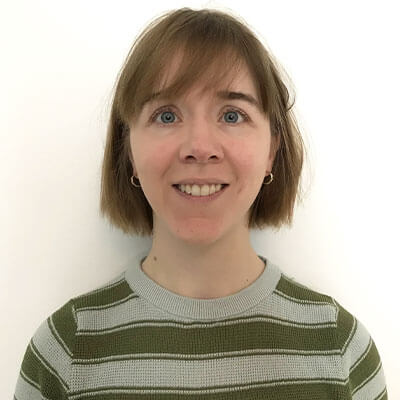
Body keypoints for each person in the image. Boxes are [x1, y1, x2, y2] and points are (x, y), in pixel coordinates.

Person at [13, 7, 388, 400]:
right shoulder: (64, 353)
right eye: (166, 115)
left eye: (232, 114)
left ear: (272, 151)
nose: (199, 148)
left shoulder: (341, 349)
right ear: (129, 151)